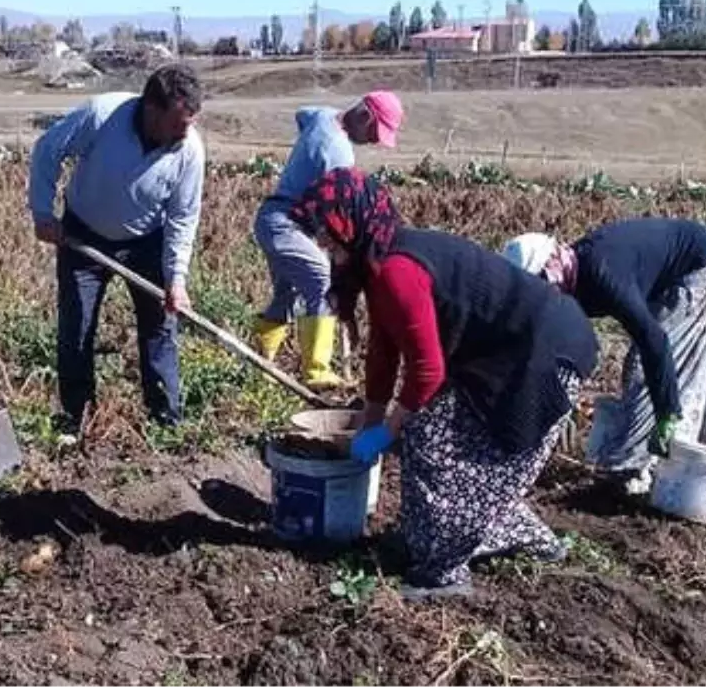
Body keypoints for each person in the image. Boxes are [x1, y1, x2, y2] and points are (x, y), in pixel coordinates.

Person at [289, 168, 598, 599]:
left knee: (439, 445)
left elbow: (427, 370)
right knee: (438, 443)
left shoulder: (397, 269)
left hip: (543, 357)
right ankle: (469, 540)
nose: (323, 244)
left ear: (351, 222)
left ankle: (443, 570)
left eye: (328, 232)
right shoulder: (380, 262)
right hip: (507, 354)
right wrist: (370, 419)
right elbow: (384, 347)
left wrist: (387, 430)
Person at [28, 63, 206, 442]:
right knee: (77, 328)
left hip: (148, 241)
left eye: (190, 122)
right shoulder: (101, 115)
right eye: (179, 122)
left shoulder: (189, 149)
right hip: (83, 236)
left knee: (160, 328)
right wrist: (43, 213)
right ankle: (77, 421)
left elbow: (183, 217)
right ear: (151, 109)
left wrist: (176, 278)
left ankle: (166, 422)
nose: (185, 131)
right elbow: (48, 149)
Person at [502, 217, 706, 493]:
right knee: (640, 369)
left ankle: (630, 470)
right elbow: (559, 345)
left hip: (700, 266)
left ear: (554, 258)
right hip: (666, 271)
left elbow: (655, 341)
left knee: (651, 370)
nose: (540, 290)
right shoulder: (571, 279)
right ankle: (643, 462)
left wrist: (666, 411)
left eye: (540, 279)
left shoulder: (603, 272)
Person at [251, 92, 404, 389]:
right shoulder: (338, 153)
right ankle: (316, 372)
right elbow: (336, 212)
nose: (374, 141)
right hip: (288, 223)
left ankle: (260, 360)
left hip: (272, 218)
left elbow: (302, 113)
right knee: (321, 279)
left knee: (288, 293)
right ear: (364, 116)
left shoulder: (323, 116)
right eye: (374, 132)